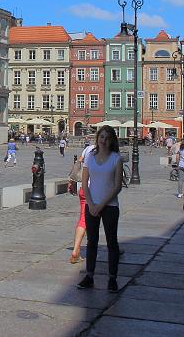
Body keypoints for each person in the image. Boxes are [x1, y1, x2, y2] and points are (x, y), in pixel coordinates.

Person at [76, 125, 123, 292]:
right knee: (92, 242)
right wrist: (90, 204)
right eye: (101, 137)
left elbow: (117, 187)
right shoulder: (90, 157)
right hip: (92, 204)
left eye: (107, 137)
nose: (103, 140)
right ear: (98, 139)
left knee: (112, 242)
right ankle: (89, 275)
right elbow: (84, 183)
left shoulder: (116, 158)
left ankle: (112, 278)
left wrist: (100, 205)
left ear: (112, 140)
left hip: (109, 206)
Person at [70, 141, 95, 264]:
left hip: (84, 189)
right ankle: (114, 246)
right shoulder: (109, 152)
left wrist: (71, 179)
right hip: (98, 192)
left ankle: (75, 251)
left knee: (83, 220)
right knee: (108, 220)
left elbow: (79, 161)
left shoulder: (88, 149)